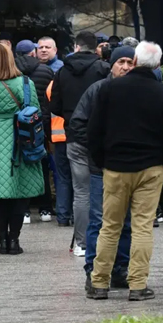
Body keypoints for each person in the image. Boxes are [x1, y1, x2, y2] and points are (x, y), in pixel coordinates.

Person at [87, 42, 163, 301]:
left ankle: (99, 283)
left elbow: (93, 130)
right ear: (158, 64)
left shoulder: (109, 89)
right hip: (150, 168)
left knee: (110, 226)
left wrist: (102, 161)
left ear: (134, 60)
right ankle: (138, 285)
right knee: (143, 227)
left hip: (115, 167)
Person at [69, 46, 135, 291]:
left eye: (130, 62)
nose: (125, 67)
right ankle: (94, 271)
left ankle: (120, 269)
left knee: (125, 221)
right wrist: (98, 149)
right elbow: (77, 124)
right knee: (98, 220)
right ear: (112, 64)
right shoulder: (97, 90)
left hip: (128, 167)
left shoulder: (138, 92)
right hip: (101, 168)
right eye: (121, 62)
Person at [0, 43, 44, 254]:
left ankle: (2, 240)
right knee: (21, 193)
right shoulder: (26, 83)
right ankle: (14, 240)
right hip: (22, 138)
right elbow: (36, 113)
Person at [50, 31, 110, 229]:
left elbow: (54, 106)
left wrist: (71, 116)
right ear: (95, 48)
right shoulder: (103, 69)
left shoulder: (62, 72)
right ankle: (100, 233)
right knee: (102, 188)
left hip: (74, 134)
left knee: (81, 191)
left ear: (76, 46)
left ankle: (82, 238)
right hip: (101, 135)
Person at [13, 39, 55, 225]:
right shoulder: (46, 71)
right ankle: (45, 209)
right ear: (33, 52)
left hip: (18, 125)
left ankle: (25, 211)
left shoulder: (12, 72)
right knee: (42, 165)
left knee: (21, 167)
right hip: (39, 125)